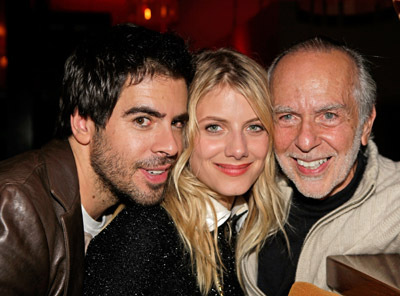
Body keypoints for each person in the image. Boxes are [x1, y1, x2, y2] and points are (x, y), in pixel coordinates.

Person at [0, 23, 193, 296]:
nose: (171, 146)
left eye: (177, 123)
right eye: (142, 120)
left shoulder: (132, 207)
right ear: (83, 123)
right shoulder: (13, 207)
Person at [241, 36, 400, 295]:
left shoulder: (395, 205)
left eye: (328, 116)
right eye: (287, 116)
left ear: (366, 122)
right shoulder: (242, 188)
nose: (305, 140)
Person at [162, 48, 287, 295]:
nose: (238, 149)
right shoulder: (146, 234)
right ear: (184, 133)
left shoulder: (259, 225)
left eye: (254, 127)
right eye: (215, 127)